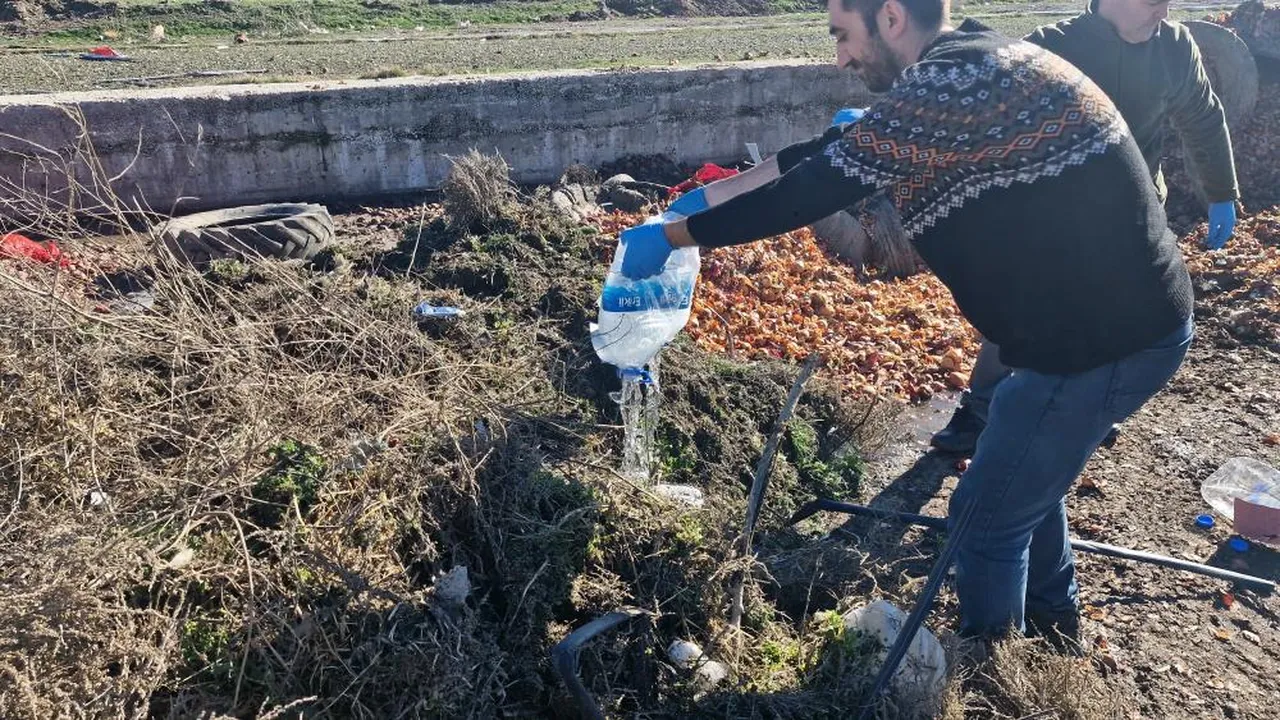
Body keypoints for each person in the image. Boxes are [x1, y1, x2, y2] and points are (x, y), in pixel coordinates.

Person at [625, 0, 1194, 643]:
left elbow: (812, 190)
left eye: (844, 36)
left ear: (891, 17)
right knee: (1024, 473)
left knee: (985, 517)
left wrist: (678, 236)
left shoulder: (948, 86)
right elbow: (820, 154)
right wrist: (705, 196)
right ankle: (1056, 626)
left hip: (1100, 337)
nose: (839, 57)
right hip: (1086, 318)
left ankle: (992, 670)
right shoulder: (973, 57)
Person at [929, 0, 1239, 455]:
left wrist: (1221, 192)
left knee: (1116, 312)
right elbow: (974, 97)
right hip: (1053, 213)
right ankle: (979, 411)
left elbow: (1203, 116)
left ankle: (1090, 408)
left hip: (1133, 211)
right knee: (1019, 309)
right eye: (1153, 2)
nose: (1164, 10)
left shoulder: (1173, 47)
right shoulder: (1053, 47)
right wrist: (899, 127)